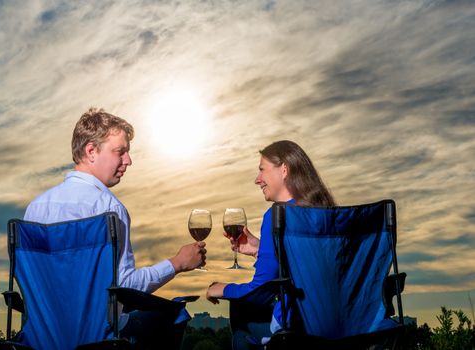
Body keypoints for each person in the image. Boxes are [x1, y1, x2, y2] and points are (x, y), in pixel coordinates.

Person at [24, 107, 206, 349]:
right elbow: (125, 286)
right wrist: (177, 263)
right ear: (91, 151)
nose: (128, 160)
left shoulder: (35, 209)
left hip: (41, 339)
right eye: (120, 152)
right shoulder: (109, 208)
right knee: (174, 314)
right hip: (98, 338)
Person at [206, 140, 335, 349]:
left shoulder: (278, 216)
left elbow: (260, 292)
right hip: (347, 329)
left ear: (284, 169)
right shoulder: (328, 214)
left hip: (299, 332)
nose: (257, 180)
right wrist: (261, 248)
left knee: (241, 316)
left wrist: (220, 289)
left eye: (261, 170)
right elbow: (309, 266)